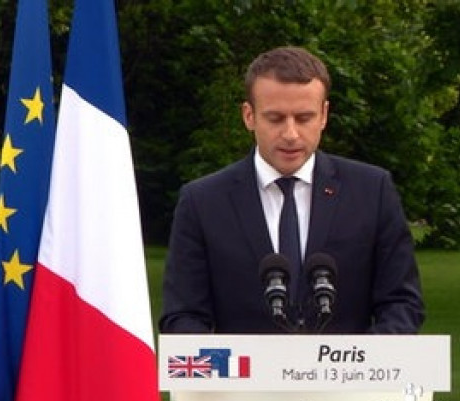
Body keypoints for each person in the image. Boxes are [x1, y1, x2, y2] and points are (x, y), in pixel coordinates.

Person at [159, 46, 424, 335]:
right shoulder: (203, 201)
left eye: (303, 118)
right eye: (275, 119)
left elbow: (402, 303)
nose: (290, 134)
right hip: (243, 377)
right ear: (249, 116)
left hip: (347, 376)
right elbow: (183, 315)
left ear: (324, 115)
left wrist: (355, 367)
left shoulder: (372, 191)